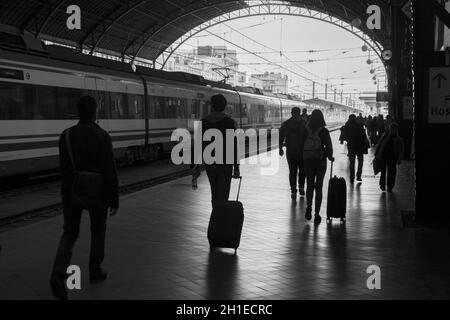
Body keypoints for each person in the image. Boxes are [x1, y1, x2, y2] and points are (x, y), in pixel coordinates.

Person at [50, 96, 119, 300]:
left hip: (72, 191)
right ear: (95, 112)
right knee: (98, 231)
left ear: (78, 112)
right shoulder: (102, 136)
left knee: (69, 233)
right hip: (97, 193)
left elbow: (63, 168)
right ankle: (95, 271)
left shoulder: (66, 135)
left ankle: (58, 273)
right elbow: (109, 171)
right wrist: (114, 198)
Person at [193, 94, 240, 201]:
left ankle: (215, 215)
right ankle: (219, 216)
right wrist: (236, 167)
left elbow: (198, 145)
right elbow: (233, 146)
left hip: (210, 164)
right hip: (225, 164)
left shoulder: (204, 122)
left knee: (214, 193)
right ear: (224, 106)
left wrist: (195, 166)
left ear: (212, 106)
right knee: (223, 195)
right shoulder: (229, 122)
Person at [302, 109, 334, 224]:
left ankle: (309, 206)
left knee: (309, 185)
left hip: (308, 161)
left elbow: (301, 145)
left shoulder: (305, 130)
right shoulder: (324, 131)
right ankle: (317, 213)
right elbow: (329, 147)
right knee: (319, 187)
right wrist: (329, 156)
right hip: (320, 161)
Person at [279, 107, 307, 199]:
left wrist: (280, 148)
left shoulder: (286, 124)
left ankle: (293, 191)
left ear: (291, 113)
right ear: (299, 113)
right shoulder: (304, 123)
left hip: (290, 151)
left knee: (292, 171)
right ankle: (301, 187)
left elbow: (281, 136)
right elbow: (308, 136)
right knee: (302, 170)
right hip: (302, 151)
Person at [375, 123, 404, 192]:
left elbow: (401, 150)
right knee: (385, 172)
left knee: (391, 172)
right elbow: (380, 145)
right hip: (384, 157)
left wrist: (399, 158)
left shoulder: (398, 139)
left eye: (394, 129)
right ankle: (384, 185)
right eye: (392, 129)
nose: (393, 130)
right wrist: (377, 154)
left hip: (392, 158)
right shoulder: (386, 136)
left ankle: (389, 186)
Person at [342, 114, 369, 184]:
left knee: (352, 162)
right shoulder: (359, 126)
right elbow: (364, 136)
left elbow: (343, 137)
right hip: (359, 146)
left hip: (351, 146)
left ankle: (352, 177)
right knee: (360, 161)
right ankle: (358, 176)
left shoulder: (347, 126)